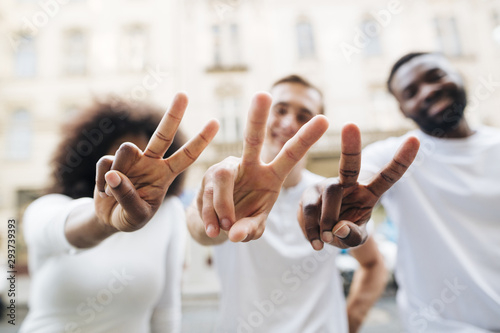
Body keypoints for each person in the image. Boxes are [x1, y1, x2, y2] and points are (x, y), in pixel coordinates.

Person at [299, 52, 500, 332]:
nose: (428, 90)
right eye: (411, 91)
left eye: (436, 76)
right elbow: (365, 178)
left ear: (458, 75)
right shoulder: (395, 155)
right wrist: (337, 199)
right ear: (402, 109)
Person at [186, 75, 404, 332]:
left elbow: (374, 264)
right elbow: (201, 231)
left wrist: (348, 323)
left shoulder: (331, 194)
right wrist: (210, 205)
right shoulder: (231, 185)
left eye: (304, 116)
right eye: (280, 110)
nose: (289, 123)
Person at [20, 93, 219, 333]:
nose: (136, 170)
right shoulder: (46, 208)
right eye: (123, 157)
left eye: (148, 158)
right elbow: (70, 231)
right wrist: (104, 222)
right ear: (94, 160)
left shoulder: (168, 214)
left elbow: (165, 311)